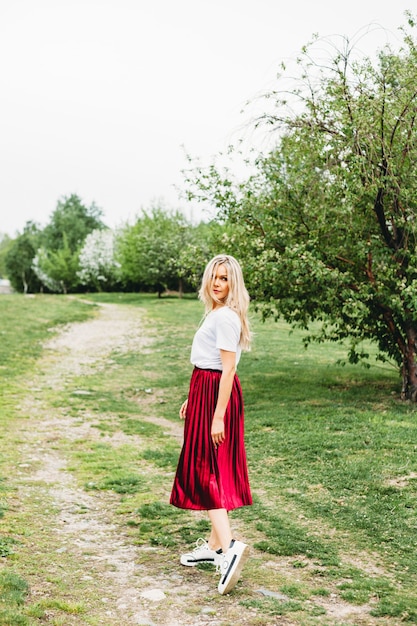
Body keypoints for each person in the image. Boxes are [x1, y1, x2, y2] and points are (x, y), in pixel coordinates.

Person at [170, 254, 252, 595]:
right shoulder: (217, 314)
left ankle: (230, 547)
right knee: (212, 467)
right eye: (214, 277)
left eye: (224, 278)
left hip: (217, 395)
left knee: (207, 472)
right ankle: (216, 547)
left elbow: (228, 370)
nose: (218, 283)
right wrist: (194, 397)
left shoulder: (226, 318)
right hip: (205, 390)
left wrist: (216, 415)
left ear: (234, 283)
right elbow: (210, 363)